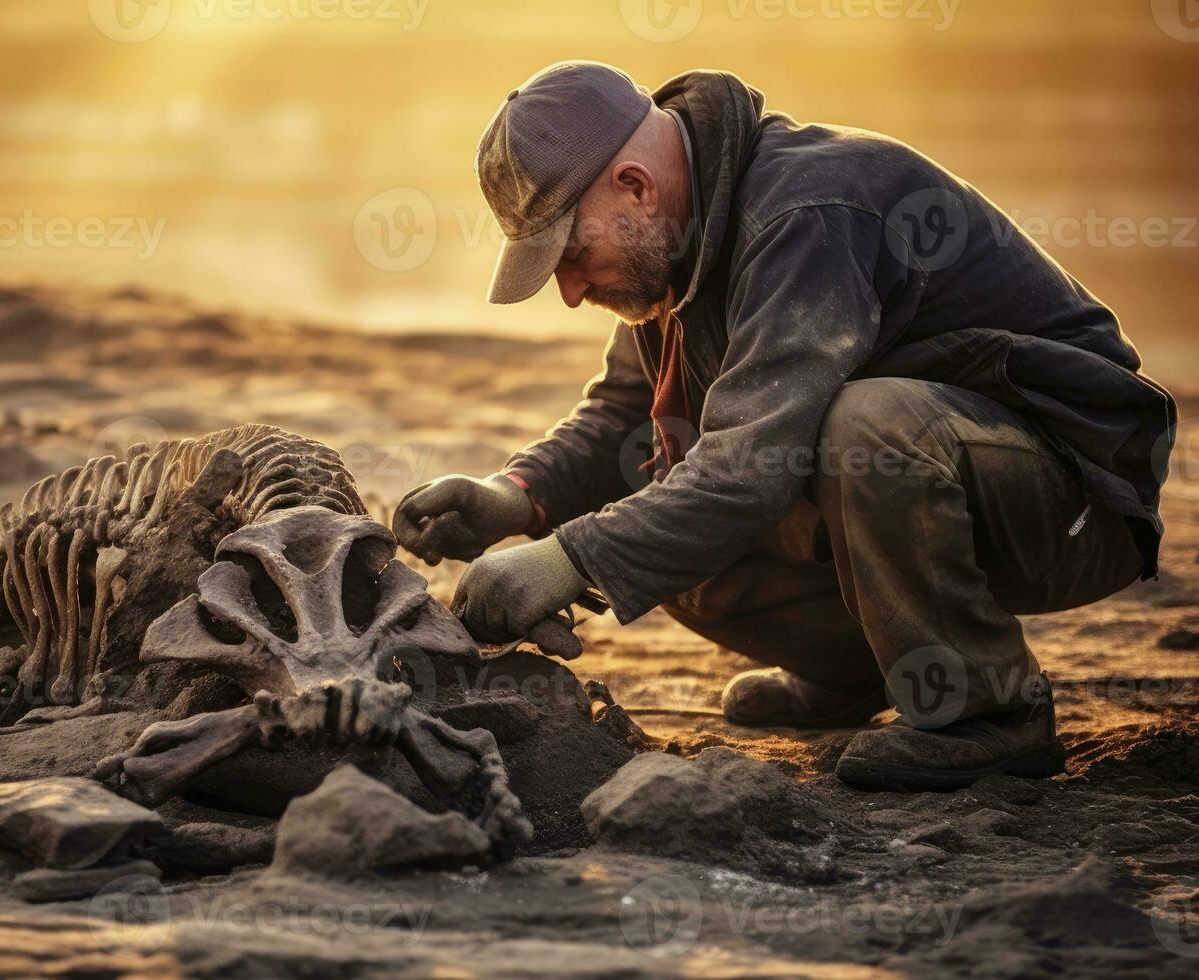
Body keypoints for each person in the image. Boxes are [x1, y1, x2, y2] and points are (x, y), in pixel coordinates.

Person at [391, 61, 1177, 792]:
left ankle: (988, 710)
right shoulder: (676, 245)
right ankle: (863, 668)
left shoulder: (805, 211)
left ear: (634, 186)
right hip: (943, 483)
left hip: (1075, 494)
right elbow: (620, 417)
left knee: (866, 428)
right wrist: (516, 496)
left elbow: (750, 470)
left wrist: (568, 557)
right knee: (661, 492)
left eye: (570, 253)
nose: (568, 290)